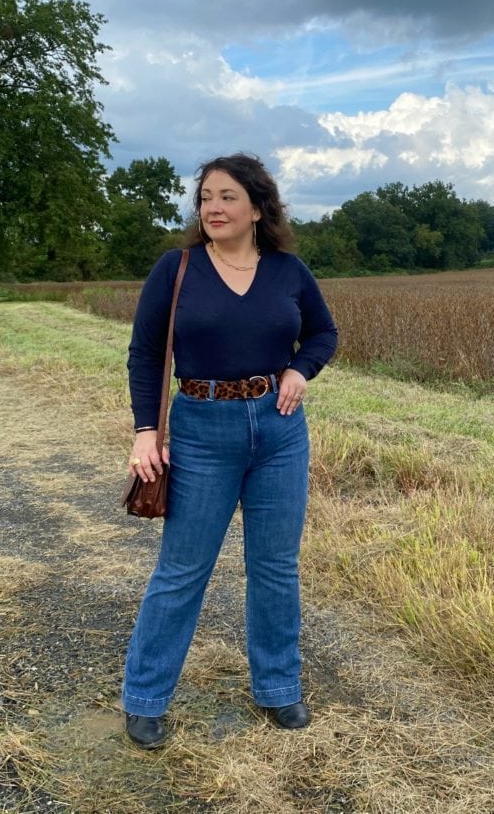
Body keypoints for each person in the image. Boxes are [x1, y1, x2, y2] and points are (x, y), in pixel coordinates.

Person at [123, 152, 338, 749]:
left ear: (257, 207)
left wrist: (299, 371)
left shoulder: (288, 271)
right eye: (205, 198)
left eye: (227, 197)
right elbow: (145, 354)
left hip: (279, 429)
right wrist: (148, 431)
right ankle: (145, 697)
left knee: (275, 566)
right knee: (183, 568)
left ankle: (278, 688)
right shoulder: (179, 268)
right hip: (199, 429)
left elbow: (323, 333)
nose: (213, 208)